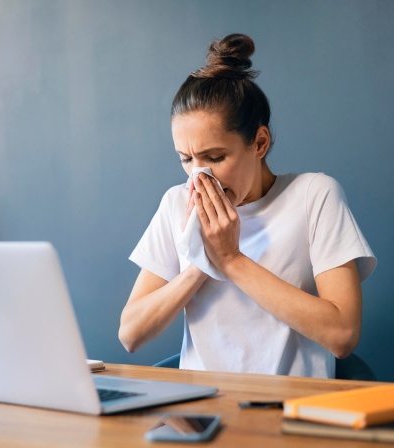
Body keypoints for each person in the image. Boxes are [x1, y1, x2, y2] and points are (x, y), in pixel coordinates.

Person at [118, 33, 376, 378]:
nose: (199, 175)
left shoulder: (315, 195)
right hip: (202, 410)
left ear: (259, 143)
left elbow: (342, 335)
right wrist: (200, 261)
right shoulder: (176, 202)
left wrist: (231, 259)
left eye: (215, 157)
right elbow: (131, 334)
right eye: (186, 159)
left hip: (292, 413)